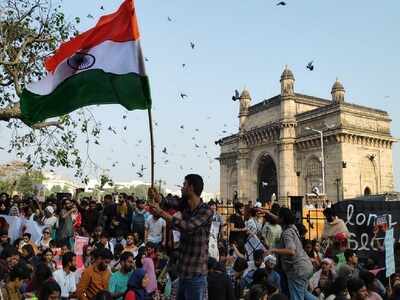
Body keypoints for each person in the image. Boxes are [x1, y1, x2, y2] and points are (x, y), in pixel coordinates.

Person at [149, 174, 213, 300]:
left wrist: (161, 213)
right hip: (183, 271)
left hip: (196, 274)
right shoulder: (185, 206)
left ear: (191, 187)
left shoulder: (206, 211)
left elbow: (188, 226)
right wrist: (158, 197)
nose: (181, 187)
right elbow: (171, 202)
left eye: (184, 184)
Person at [268, 208, 316, 300]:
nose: (277, 218)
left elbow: (291, 251)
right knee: (303, 293)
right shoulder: (292, 227)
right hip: (305, 267)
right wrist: (268, 213)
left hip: (297, 271)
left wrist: (274, 250)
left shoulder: (287, 233)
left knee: (297, 296)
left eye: (279, 216)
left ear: (282, 219)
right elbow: (279, 219)